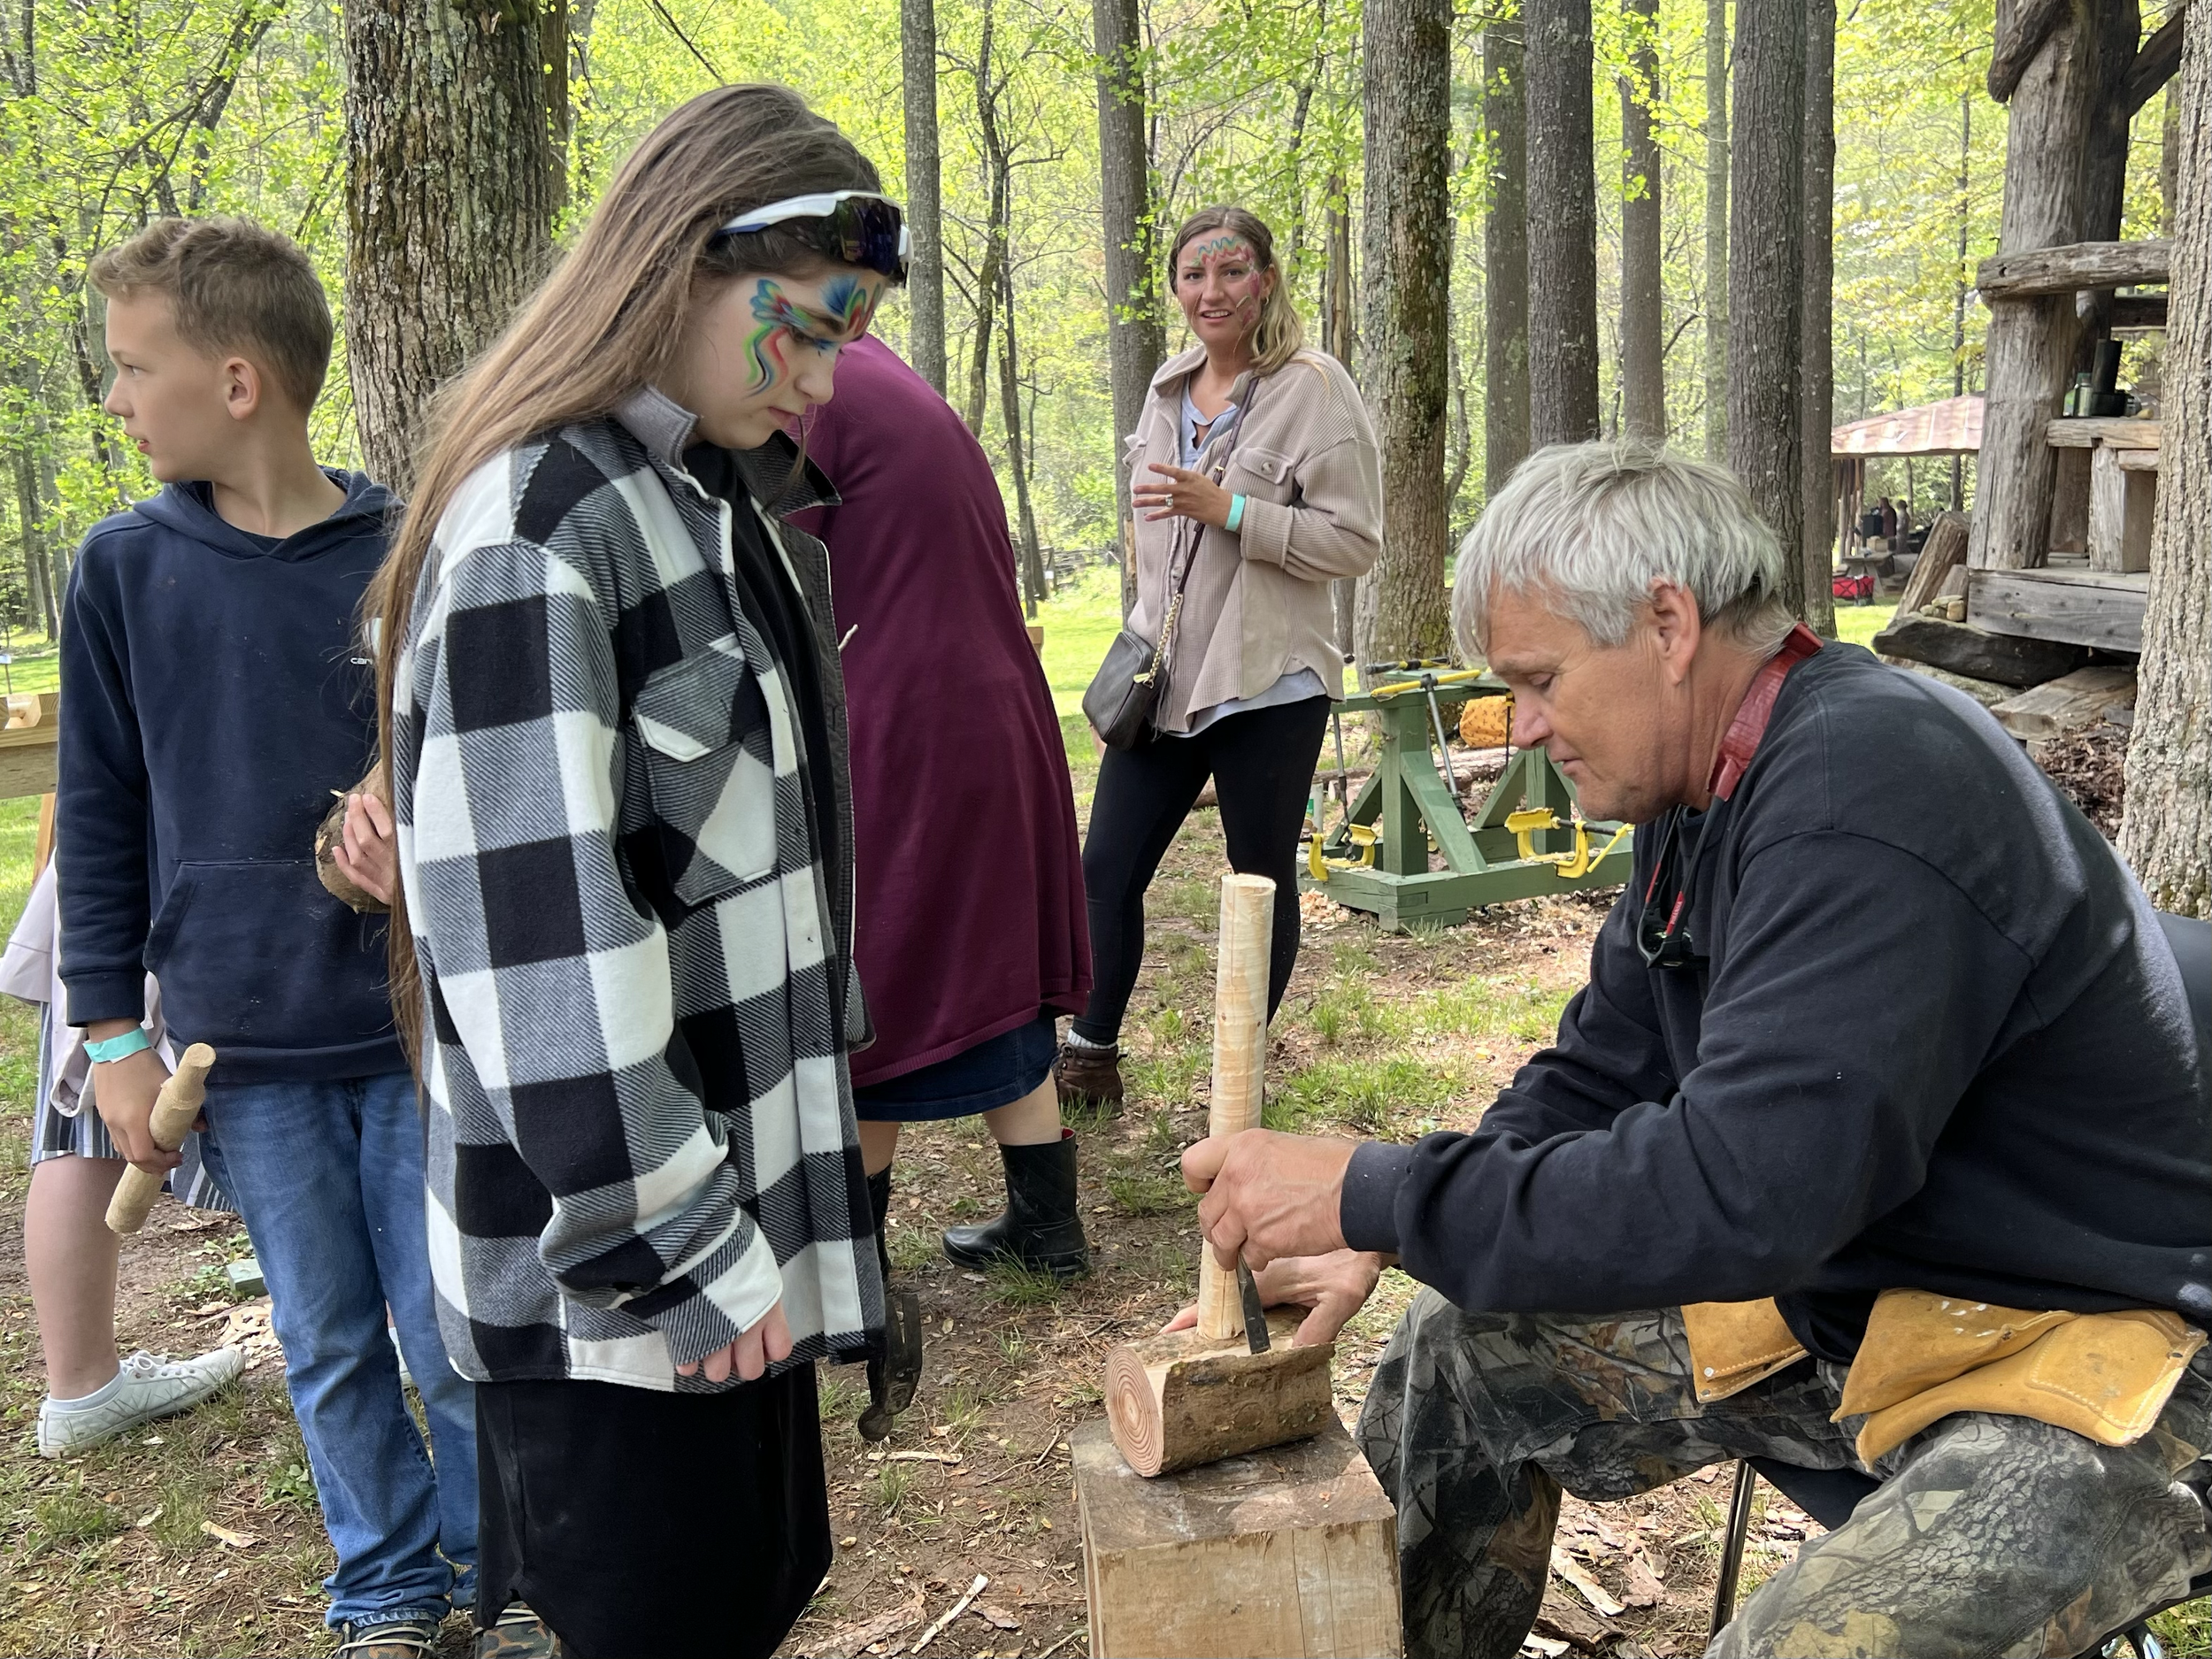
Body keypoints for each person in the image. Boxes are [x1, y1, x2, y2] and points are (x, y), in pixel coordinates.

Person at [1176, 442, 2210, 1658]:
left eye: (1542, 679)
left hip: (2112, 1340)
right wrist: (1389, 1224)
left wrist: (1377, 1186)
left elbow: (1748, 1190)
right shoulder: (1706, 790)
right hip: (1876, 1291)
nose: (1526, 730)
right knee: (1461, 1349)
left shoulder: (1863, 786)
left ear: (1668, 621)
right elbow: (1598, 1073)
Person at [378, 85, 899, 1659]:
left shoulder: (710, 506)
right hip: (621, 1309)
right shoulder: (538, 532)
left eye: (842, 337)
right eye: (803, 326)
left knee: (742, 1603)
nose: (818, 379)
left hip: (733, 1251)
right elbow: (543, 955)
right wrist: (677, 1247)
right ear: (685, 259)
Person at [58, 216, 476, 1659]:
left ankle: (504, 1574)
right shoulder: (120, 573)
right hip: (245, 1046)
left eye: (132, 367)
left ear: (238, 382)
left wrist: (403, 835)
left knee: (456, 1335)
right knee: (330, 1341)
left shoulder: (409, 554)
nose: (113, 400)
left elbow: (477, 778)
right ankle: (388, 1591)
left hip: (421, 1029)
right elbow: (97, 819)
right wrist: (112, 1037)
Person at [785, 334, 1091, 1440]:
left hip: (904, 713)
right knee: (988, 957)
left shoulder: (802, 386)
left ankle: (855, 1276)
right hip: (990, 697)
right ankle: (1046, 1226)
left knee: (883, 967)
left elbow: (773, 575)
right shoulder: (879, 374)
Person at [1057, 205, 1382, 1108]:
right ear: (1176, 288)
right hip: (1162, 682)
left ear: (1266, 281)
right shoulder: (1166, 391)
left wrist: (1231, 511)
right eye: (1194, 276)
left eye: (1231, 273)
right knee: (1105, 868)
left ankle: (1235, 1079)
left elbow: (1353, 542)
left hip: (1267, 681)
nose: (1212, 292)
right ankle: (1089, 1052)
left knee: (1257, 879)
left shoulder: (1314, 388)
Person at [7, 859, 242, 1458]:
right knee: (88, 1105)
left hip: (133, 870)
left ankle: (82, 1382)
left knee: (81, 1120)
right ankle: (83, 1385)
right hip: (141, 868)